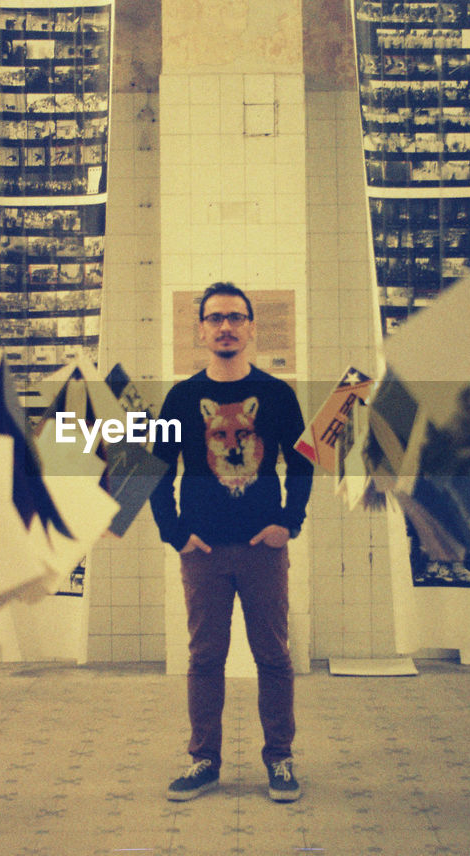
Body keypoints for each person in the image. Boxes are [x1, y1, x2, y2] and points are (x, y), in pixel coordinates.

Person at [149, 281, 313, 803]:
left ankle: (280, 759)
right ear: (201, 329)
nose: (226, 326)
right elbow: (156, 469)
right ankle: (204, 760)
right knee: (204, 659)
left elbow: (304, 461)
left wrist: (290, 521)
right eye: (216, 317)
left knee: (273, 656)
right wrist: (175, 532)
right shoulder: (180, 398)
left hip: (264, 549)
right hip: (204, 552)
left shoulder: (278, 395)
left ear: (250, 327)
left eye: (235, 317)